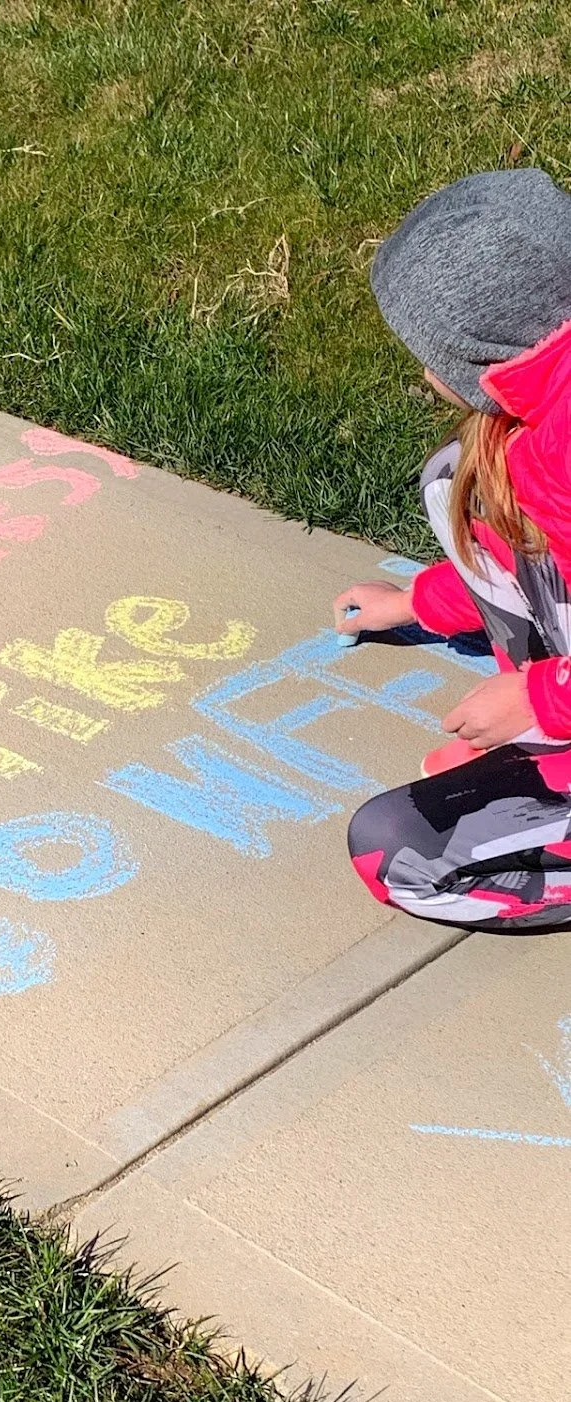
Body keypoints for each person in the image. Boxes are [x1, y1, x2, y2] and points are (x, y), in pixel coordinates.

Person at [336, 168, 571, 930]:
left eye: (425, 351)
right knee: (460, 479)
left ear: (475, 350)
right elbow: (522, 554)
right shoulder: (542, 421)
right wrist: (417, 603)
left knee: (394, 851)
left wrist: (539, 699)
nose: (423, 372)